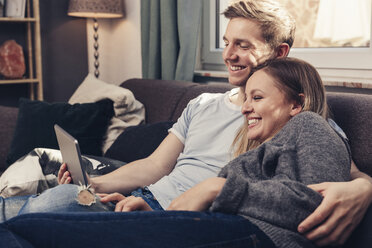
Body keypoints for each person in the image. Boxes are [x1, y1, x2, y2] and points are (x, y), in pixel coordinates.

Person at [1, 0, 371, 246]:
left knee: (43, 211)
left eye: (242, 45)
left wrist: (364, 189)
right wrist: (94, 184)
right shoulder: (204, 102)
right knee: (63, 196)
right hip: (144, 203)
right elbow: (154, 166)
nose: (228, 55)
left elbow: (340, 171)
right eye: (226, 43)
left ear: (279, 53)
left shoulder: (294, 117)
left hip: (193, 218)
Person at [15, 57, 351, 248]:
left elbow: (314, 205)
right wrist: (152, 212)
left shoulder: (311, 126)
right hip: (209, 225)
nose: (246, 108)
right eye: (246, 98)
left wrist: (217, 187)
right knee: (35, 222)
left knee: (26, 229)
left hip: (258, 238)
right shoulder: (261, 145)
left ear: (298, 103)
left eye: (258, 98)